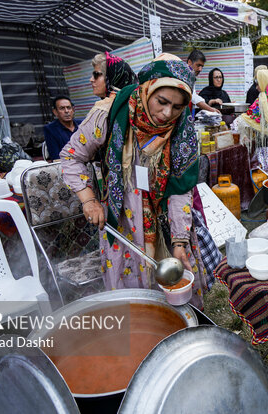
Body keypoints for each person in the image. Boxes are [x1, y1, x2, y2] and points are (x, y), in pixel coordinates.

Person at [61, 55, 211, 309]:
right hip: (124, 218)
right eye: (162, 102)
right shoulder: (108, 113)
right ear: (146, 88)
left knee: (176, 283)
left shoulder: (182, 129)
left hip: (167, 218)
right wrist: (88, 200)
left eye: (177, 107)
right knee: (134, 296)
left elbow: (181, 188)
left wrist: (179, 242)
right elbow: (71, 157)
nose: (167, 114)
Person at [43, 95, 79, 160]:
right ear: (55, 112)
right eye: (62, 108)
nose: (66, 111)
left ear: (73, 110)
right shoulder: (50, 129)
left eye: (69, 107)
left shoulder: (82, 124)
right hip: (67, 165)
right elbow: (55, 157)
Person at [186, 50, 220, 114]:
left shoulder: (191, 77)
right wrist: (211, 109)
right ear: (189, 62)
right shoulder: (184, 76)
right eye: (198, 65)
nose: (200, 69)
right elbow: (193, 97)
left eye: (202, 66)